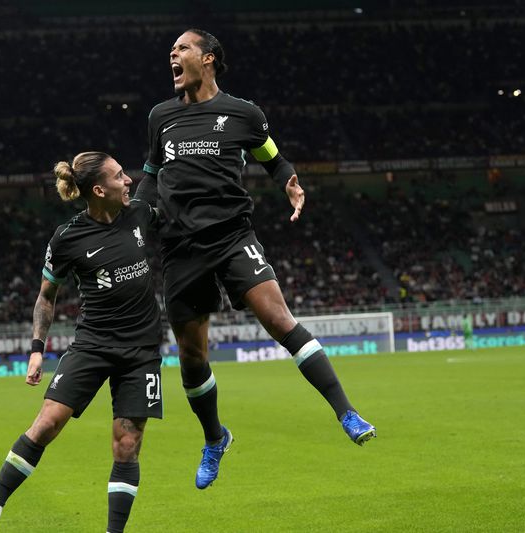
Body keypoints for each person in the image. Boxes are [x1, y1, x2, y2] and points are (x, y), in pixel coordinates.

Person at [134, 29, 376, 490]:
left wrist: (289, 180)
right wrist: (137, 219)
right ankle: (214, 437)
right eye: (172, 50)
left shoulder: (244, 114)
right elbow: (149, 176)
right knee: (191, 354)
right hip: (181, 247)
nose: (173, 54)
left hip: (231, 236)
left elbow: (274, 159)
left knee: (280, 319)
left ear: (207, 59)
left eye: (182, 48)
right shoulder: (160, 116)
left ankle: (346, 411)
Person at [0, 152, 163, 533]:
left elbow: (175, 210)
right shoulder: (68, 238)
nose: (128, 182)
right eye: (120, 176)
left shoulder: (140, 215)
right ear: (98, 189)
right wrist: (37, 349)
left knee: (127, 444)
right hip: (92, 344)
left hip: (141, 352)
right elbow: (46, 296)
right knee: (45, 425)